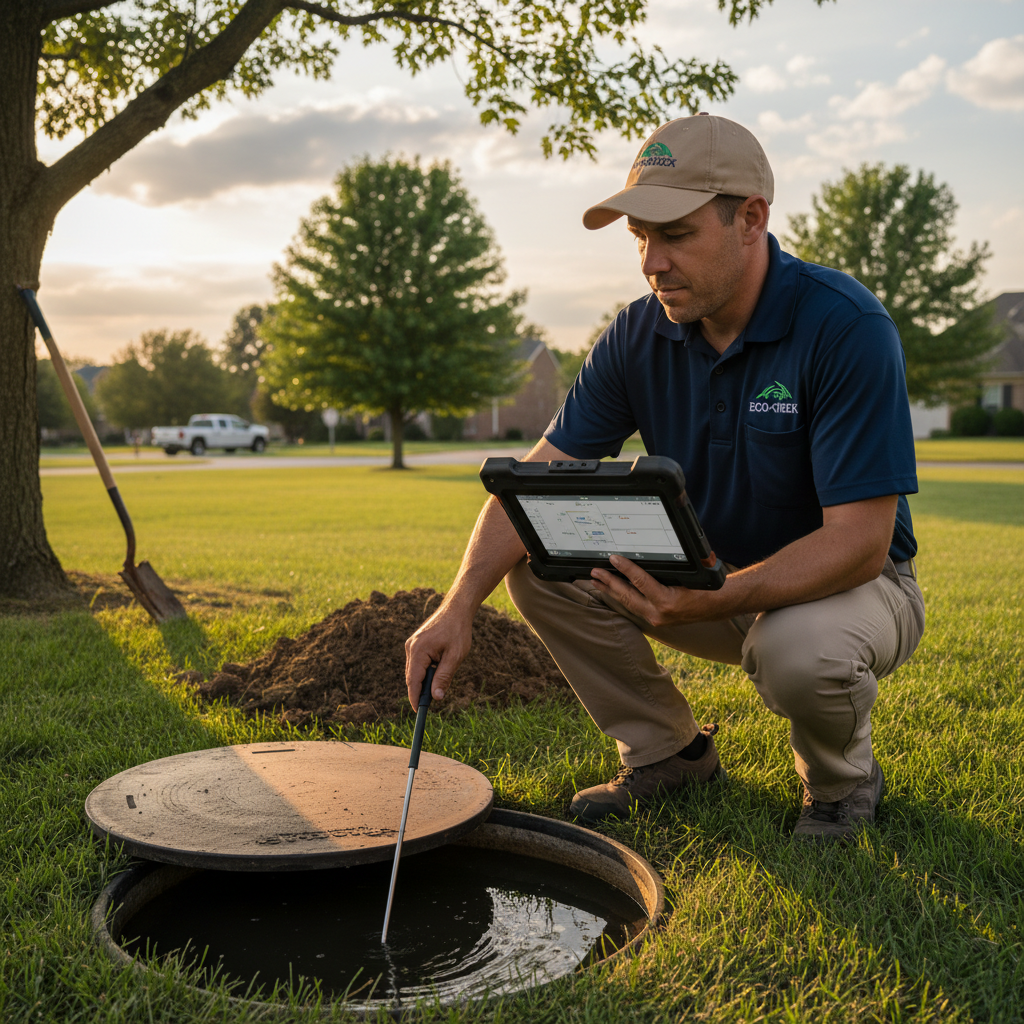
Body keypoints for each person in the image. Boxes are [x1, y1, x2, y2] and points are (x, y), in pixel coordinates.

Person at [404, 114, 925, 843]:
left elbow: (862, 543)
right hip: (713, 580)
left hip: (855, 591)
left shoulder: (844, 326)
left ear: (750, 219)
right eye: (640, 240)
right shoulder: (636, 334)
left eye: (675, 235)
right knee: (539, 568)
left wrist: (713, 593)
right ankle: (669, 753)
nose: (652, 262)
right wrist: (456, 605)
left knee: (799, 650)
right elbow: (534, 479)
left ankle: (840, 785)